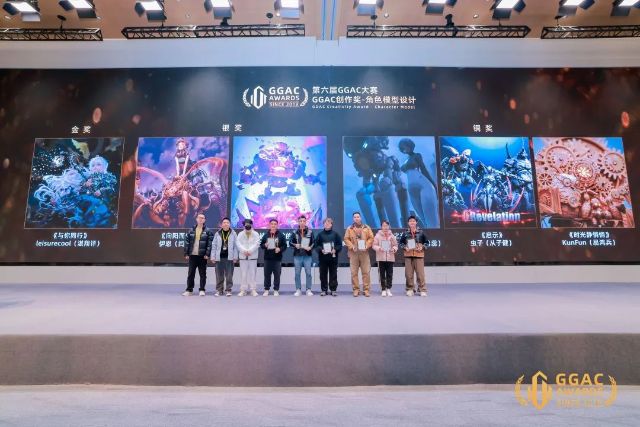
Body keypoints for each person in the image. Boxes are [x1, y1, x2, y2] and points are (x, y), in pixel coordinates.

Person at [344, 212, 374, 297]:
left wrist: (366, 245)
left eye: (358, 217)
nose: (356, 218)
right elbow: (346, 239)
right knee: (354, 273)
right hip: (353, 253)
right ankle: (356, 289)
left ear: (360, 218)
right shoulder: (349, 228)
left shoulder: (366, 228)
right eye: (355, 217)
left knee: (366, 272)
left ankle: (366, 290)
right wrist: (351, 246)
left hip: (364, 253)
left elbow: (371, 238)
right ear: (353, 219)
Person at [182, 213, 212, 297]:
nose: (201, 219)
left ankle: (202, 289)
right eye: (199, 218)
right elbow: (187, 242)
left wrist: (207, 254)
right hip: (192, 255)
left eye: (202, 218)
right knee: (191, 273)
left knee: (203, 274)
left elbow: (209, 244)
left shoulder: (208, 231)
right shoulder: (191, 230)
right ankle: (189, 290)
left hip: (202, 256)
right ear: (196, 219)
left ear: (204, 220)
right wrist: (186, 253)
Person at [399, 215, 428, 297]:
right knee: (408, 274)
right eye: (410, 221)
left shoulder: (421, 232)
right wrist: (405, 247)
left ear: (416, 222)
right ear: (408, 223)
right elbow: (401, 243)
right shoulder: (405, 233)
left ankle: (422, 289)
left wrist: (422, 247)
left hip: (419, 255)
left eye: (413, 221)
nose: (412, 222)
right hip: (408, 255)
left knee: (420, 274)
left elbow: (427, 243)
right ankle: (410, 289)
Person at [314, 217, 342, 296]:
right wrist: (321, 249)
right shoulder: (320, 235)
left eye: (329, 223)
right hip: (323, 258)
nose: (327, 224)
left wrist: (335, 250)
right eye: (325, 223)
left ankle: (333, 290)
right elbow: (316, 245)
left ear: (331, 224)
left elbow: (339, 245)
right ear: (323, 224)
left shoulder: (336, 234)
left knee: (333, 274)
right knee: (323, 275)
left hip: (333, 258)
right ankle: (324, 290)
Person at [210, 217, 238, 297]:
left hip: (229, 258)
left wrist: (235, 257)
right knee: (219, 275)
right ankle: (219, 290)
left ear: (230, 224)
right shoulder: (217, 233)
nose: (226, 224)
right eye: (224, 223)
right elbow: (214, 245)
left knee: (229, 275)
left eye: (227, 223)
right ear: (221, 224)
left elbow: (236, 246)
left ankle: (228, 290)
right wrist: (213, 256)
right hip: (219, 258)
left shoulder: (233, 233)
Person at [260, 219, 288, 296]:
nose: (273, 225)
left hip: (277, 259)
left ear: (277, 225)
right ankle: (266, 289)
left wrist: (280, 249)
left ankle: (276, 289)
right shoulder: (266, 235)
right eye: (272, 224)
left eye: (275, 224)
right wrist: (265, 245)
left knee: (277, 275)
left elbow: (285, 246)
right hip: (267, 258)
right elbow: (261, 245)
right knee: (267, 274)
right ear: (269, 225)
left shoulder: (281, 235)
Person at [289, 215, 315, 297]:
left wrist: (310, 247)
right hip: (297, 256)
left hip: (307, 256)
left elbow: (314, 242)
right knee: (297, 273)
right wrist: (295, 245)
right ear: (298, 222)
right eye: (301, 221)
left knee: (308, 273)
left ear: (306, 222)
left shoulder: (310, 232)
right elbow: (290, 242)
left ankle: (308, 289)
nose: (302, 222)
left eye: (304, 221)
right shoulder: (294, 232)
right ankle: (298, 289)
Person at [372, 220, 398, 297]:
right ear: (381, 227)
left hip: (390, 258)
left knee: (389, 274)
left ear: (389, 226)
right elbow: (374, 245)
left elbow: (396, 245)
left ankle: (388, 289)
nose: (385, 227)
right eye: (384, 226)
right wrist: (379, 248)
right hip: (381, 258)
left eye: (387, 226)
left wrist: (394, 249)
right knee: (382, 274)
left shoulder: (392, 236)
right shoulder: (377, 236)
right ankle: (383, 289)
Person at [235, 218, 260, 297]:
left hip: (252, 257)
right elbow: (238, 244)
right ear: (243, 225)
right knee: (243, 274)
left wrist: (250, 251)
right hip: (243, 257)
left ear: (251, 225)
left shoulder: (256, 234)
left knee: (253, 274)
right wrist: (244, 251)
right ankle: (243, 290)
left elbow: (257, 244)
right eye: (246, 225)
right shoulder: (240, 234)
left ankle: (253, 290)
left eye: (249, 225)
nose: (247, 226)